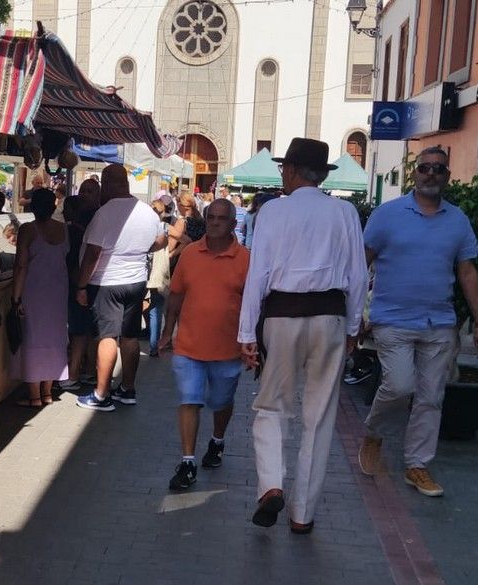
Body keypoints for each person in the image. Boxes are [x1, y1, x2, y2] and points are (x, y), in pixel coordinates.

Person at [237, 138, 367, 534]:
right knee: (319, 416)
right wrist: (354, 326)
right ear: (320, 174)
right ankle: (302, 515)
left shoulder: (273, 211)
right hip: (329, 317)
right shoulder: (344, 212)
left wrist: (246, 332)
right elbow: (358, 275)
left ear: (291, 170)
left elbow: (257, 274)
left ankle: (272, 483)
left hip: (282, 316)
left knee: (272, 407)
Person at [356, 146, 478, 498]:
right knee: (400, 386)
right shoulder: (387, 215)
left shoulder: (457, 220)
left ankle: (417, 465)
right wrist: (356, 312)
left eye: (439, 169)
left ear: (448, 176)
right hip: (392, 320)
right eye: (425, 168)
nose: (431, 174)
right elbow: (360, 264)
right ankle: (374, 431)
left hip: (439, 323)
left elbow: (467, 271)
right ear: (414, 173)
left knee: (431, 397)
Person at [160, 199, 250, 491]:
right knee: (190, 399)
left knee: (222, 401)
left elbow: (254, 306)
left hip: (228, 350)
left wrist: (254, 341)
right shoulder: (189, 254)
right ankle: (187, 462)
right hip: (188, 346)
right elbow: (175, 295)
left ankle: (218, 440)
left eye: (222, 219)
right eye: (211, 217)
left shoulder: (246, 259)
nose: (214, 223)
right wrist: (167, 332)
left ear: (233, 224)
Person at [73, 165, 167, 411]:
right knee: (130, 337)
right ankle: (127, 389)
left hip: (107, 282)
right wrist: (140, 249)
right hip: (136, 281)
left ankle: (101, 394)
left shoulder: (104, 213)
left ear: (108, 183)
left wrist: (81, 285)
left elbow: (93, 253)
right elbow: (162, 240)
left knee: (107, 338)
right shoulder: (148, 212)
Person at [10, 189, 70, 406]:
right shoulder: (64, 230)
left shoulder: (28, 230)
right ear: (54, 207)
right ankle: (47, 393)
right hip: (58, 292)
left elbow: (21, 265)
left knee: (32, 339)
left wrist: (15, 298)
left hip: (33, 292)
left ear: (32, 207)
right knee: (54, 339)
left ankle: (34, 396)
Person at [56, 181, 102, 393]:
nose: (84, 194)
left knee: (79, 330)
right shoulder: (96, 218)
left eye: (89, 191)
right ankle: (90, 372)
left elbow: (84, 254)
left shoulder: (88, 221)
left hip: (82, 281)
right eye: (82, 190)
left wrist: (79, 284)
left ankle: (73, 374)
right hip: (89, 281)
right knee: (90, 330)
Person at [146, 200, 173, 357]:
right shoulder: (165, 227)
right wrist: (170, 253)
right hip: (157, 273)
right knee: (155, 310)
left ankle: (128, 338)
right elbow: (186, 240)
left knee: (144, 308)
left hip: (141, 272)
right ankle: (153, 346)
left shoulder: (143, 227)